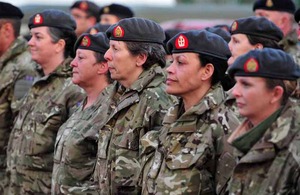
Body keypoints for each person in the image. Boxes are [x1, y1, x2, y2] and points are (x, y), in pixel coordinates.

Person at [140, 30, 240, 194]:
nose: (169, 69)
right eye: (172, 61)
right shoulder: (173, 115)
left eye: (180, 63)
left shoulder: (223, 125)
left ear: (206, 71)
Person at [92, 17, 175, 194]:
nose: (106, 55)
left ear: (141, 58)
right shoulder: (114, 94)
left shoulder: (160, 98)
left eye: (115, 49)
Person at [6, 9, 84, 194]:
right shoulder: (35, 81)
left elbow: (76, 155)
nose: (30, 43)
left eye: (38, 37)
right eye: (31, 36)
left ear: (59, 45)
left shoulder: (73, 88)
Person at [226, 48, 300, 194]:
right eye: (237, 83)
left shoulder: (294, 143)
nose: (235, 92)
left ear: (275, 93)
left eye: (246, 84)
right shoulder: (248, 136)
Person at [51, 32, 113, 194]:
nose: (72, 63)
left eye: (81, 58)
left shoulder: (110, 111)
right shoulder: (83, 105)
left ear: (102, 66)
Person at [0, 2, 40, 194]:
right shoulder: (5, 63)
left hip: (9, 173)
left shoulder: (24, 68)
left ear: (6, 29)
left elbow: (22, 127)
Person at [225, 16, 284, 117]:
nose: (228, 46)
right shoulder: (228, 83)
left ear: (257, 49)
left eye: (236, 41)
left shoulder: (273, 89)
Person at [253, 0, 300, 64]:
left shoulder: (296, 53)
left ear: (283, 21)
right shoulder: (252, 46)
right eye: (255, 16)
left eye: (262, 16)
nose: (255, 21)